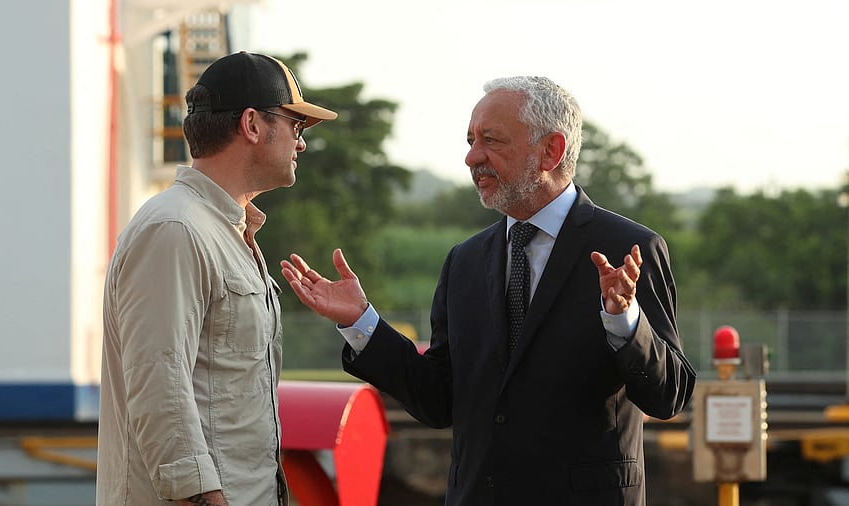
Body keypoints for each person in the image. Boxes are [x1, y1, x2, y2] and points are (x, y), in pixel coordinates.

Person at [280, 76, 696, 505]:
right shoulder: (464, 261)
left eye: (491, 140)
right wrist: (361, 321)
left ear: (551, 150)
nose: (472, 157)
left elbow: (668, 397)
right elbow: (438, 401)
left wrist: (624, 321)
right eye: (470, 140)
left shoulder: (629, 249)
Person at [96, 51, 337, 506]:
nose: (301, 144)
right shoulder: (176, 229)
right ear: (251, 124)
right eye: (296, 126)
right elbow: (159, 384)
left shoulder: (221, 229)